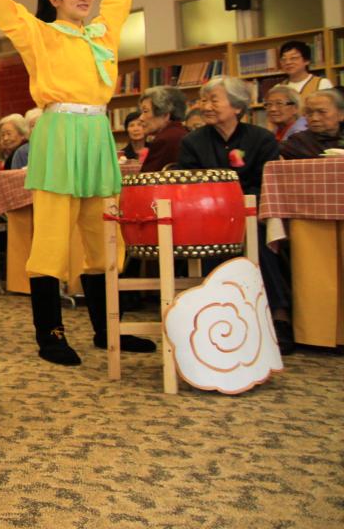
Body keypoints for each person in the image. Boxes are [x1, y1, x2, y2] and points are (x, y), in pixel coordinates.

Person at [0, 0, 154, 366]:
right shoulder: (39, 34)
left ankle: (107, 328)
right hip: (59, 133)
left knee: (103, 235)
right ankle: (50, 334)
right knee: (53, 236)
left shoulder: (103, 33)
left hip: (97, 135)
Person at [177, 76, 292, 352]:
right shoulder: (192, 141)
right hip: (208, 216)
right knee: (207, 241)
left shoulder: (261, 139)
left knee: (260, 240)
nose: (206, 106)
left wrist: (241, 204)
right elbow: (189, 184)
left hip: (252, 213)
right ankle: (211, 316)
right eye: (203, 100)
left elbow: (267, 184)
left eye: (214, 100)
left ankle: (279, 316)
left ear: (237, 107)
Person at [280, 88, 344, 159]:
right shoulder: (298, 142)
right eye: (309, 112)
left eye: (322, 112)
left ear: (341, 114)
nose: (314, 118)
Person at [137, 85, 187, 172]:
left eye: (145, 111)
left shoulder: (165, 139)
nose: (140, 118)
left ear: (165, 115)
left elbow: (147, 177)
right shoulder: (182, 132)